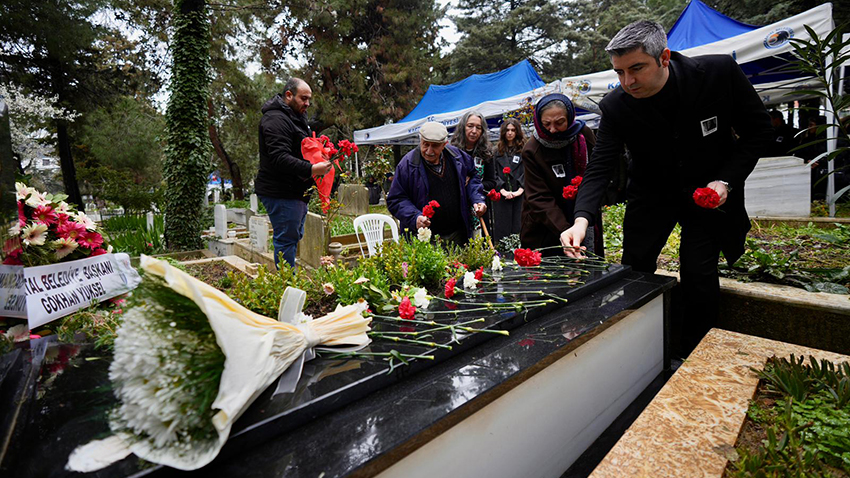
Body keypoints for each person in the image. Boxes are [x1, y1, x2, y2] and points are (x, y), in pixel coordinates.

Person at [560, 20, 772, 355]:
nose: (627, 82)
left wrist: (726, 181)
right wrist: (581, 220)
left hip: (709, 195)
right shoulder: (615, 105)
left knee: (698, 271)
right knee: (635, 267)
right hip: (651, 195)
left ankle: (696, 352)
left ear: (664, 57)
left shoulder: (718, 73)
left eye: (636, 69)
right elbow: (600, 166)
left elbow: (759, 132)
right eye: (619, 72)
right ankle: (638, 348)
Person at [256, 78, 333, 269]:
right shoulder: (275, 119)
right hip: (281, 191)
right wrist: (312, 169)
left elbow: (300, 148)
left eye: (309, 100)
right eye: (303, 98)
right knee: (286, 241)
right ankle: (287, 286)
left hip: (294, 190)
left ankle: (289, 281)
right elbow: (279, 158)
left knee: (292, 237)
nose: (307, 103)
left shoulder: (295, 117)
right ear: (288, 95)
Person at [520, 94, 601, 254]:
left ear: (570, 117)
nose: (552, 129)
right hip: (546, 225)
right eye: (546, 124)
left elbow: (596, 172)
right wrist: (566, 230)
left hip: (583, 215)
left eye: (559, 123)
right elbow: (538, 197)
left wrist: (582, 220)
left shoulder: (583, 135)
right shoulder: (532, 149)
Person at [387, 121, 487, 247]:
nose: (429, 150)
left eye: (435, 146)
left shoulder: (458, 157)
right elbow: (396, 200)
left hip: (457, 235)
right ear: (420, 141)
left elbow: (473, 177)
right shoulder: (407, 165)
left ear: (444, 144)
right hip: (424, 238)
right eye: (425, 144)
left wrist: (477, 199)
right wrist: (415, 217)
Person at [450, 111, 496, 234]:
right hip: (457, 208)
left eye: (478, 127)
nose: (474, 131)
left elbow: (492, 182)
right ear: (463, 127)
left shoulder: (486, 153)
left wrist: (474, 184)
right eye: (470, 126)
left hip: (479, 208)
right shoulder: (451, 151)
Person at [491, 118, 526, 242]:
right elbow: (493, 173)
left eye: (513, 130)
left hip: (520, 195)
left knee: (519, 226)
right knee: (502, 229)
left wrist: (520, 189)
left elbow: (527, 171)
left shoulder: (524, 151)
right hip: (502, 196)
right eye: (507, 130)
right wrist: (502, 190)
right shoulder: (496, 152)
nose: (510, 133)